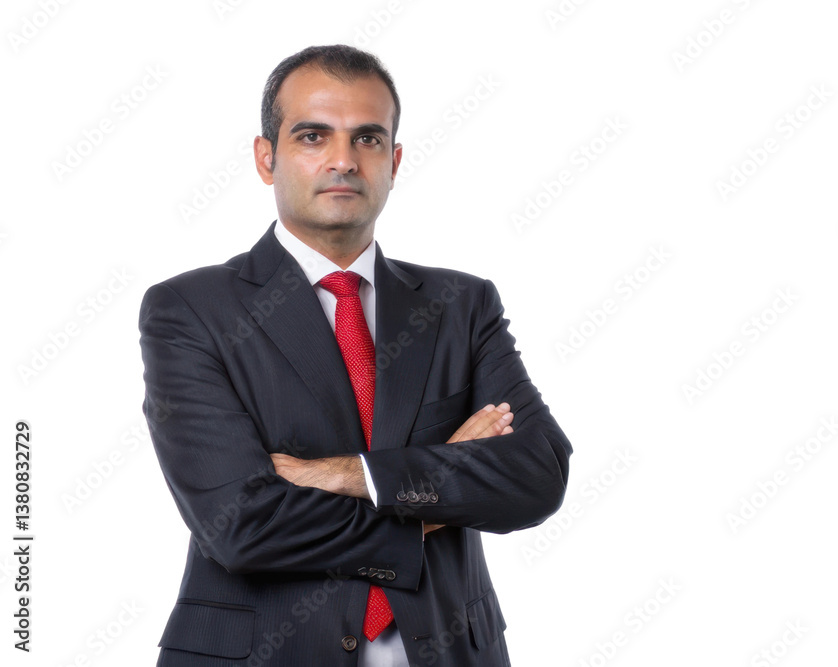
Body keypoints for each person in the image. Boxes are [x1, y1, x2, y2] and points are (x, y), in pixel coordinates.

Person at [138, 44, 572, 666]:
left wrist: (352, 475)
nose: (343, 160)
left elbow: (538, 473)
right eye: (313, 136)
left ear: (394, 162)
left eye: (368, 139)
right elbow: (240, 525)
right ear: (267, 158)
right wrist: (433, 494)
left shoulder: (461, 304)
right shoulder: (191, 310)